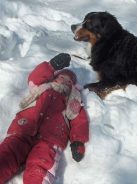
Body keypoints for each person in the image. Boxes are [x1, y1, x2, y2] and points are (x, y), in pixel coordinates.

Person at [0, 53, 89, 184]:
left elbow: (79, 121)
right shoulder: (40, 87)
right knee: (8, 154)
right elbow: (34, 77)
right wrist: (51, 66)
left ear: (73, 87)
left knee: (41, 164)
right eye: (61, 77)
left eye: (69, 81)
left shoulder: (72, 100)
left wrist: (78, 142)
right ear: (53, 78)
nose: (64, 80)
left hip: (50, 140)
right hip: (23, 130)